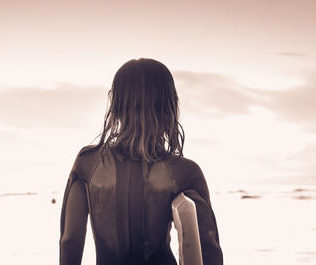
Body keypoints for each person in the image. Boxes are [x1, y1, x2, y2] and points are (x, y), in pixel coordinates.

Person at [59, 58, 223, 265]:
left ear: (116, 105)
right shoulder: (184, 171)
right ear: (169, 107)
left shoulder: (88, 163)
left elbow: (70, 239)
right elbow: (208, 247)